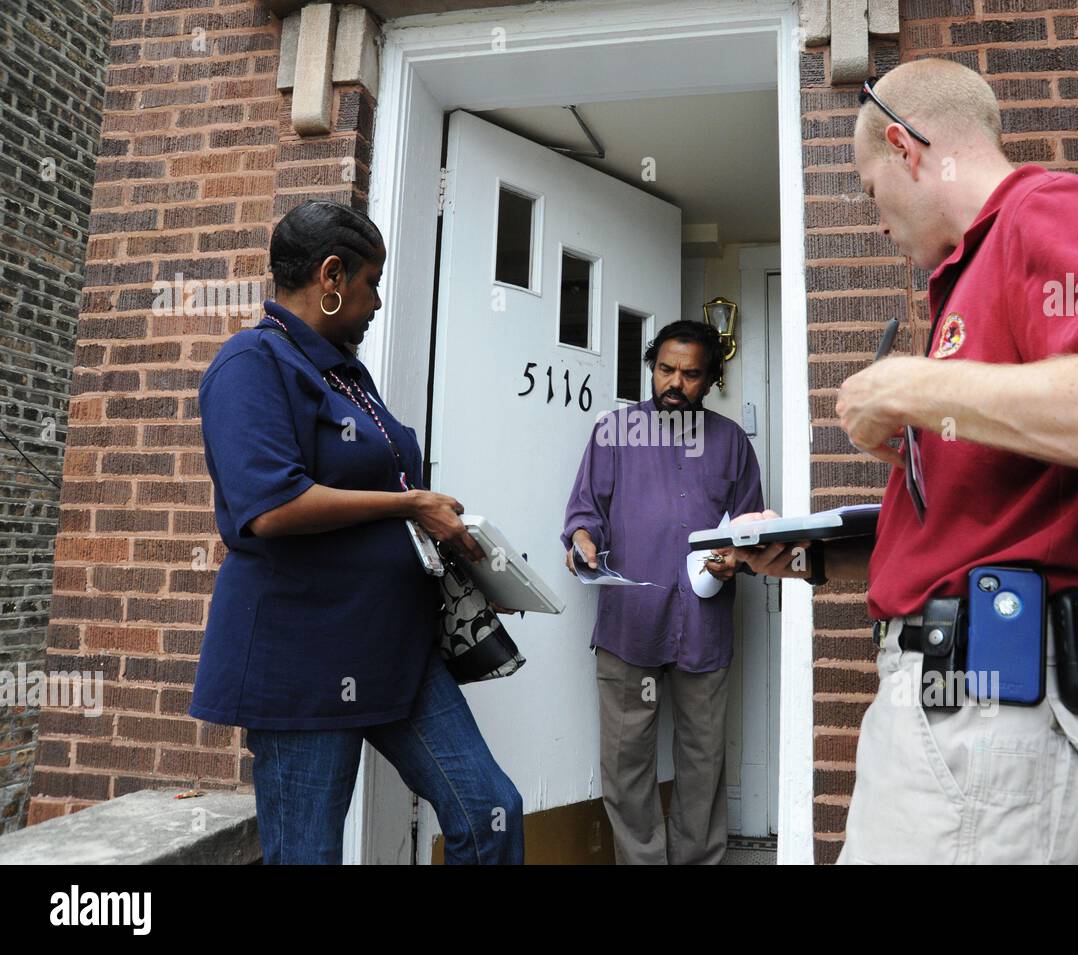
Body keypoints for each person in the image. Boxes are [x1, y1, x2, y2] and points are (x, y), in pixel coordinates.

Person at [734, 58, 1078, 864]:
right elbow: (977, 529)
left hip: (990, 711)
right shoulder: (968, 281)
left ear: (904, 147)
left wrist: (916, 384)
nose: (878, 222)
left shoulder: (1046, 212)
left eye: (870, 191)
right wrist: (804, 557)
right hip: (956, 711)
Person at [191, 199, 523, 864]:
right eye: (372, 281)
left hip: (392, 647)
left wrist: (453, 540)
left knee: (490, 809)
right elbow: (271, 505)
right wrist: (409, 506)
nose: (376, 302)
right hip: (303, 658)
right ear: (332, 274)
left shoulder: (346, 374)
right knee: (308, 854)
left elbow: (388, 487)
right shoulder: (251, 363)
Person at [561, 320, 764, 864]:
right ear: (651, 368)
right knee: (627, 760)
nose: (675, 383)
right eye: (665, 369)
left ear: (712, 378)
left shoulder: (732, 444)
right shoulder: (614, 432)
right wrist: (581, 541)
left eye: (691, 374)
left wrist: (737, 559)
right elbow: (585, 514)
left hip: (704, 624)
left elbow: (752, 530)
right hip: (631, 620)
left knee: (702, 757)